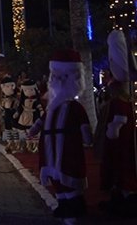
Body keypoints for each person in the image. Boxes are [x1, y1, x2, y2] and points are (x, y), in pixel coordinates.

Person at [28, 49, 92, 222]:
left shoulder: (75, 107)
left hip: (68, 149)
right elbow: (41, 121)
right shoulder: (52, 107)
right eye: (56, 76)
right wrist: (33, 130)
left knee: (68, 177)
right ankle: (63, 206)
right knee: (56, 181)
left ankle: (73, 210)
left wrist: (87, 138)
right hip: (50, 149)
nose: (58, 81)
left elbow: (84, 124)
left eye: (63, 77)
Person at [98, 30, 137, 216]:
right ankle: (118, 197)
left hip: (121, 141)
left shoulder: (121, 99)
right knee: (116, 167)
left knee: (122, 167)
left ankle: (127, 200)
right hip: (117, 141)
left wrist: (112, 129)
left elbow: (121, 117)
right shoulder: (117, 97)